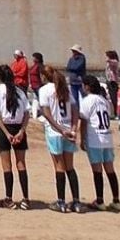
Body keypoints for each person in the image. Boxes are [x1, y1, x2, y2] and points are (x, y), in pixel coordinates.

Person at [39, 66, 83, 213]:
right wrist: (73, 129)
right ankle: (76, 201)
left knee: (59, 167)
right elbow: (76, 110)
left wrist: (60, 129)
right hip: (68, 131)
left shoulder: (44, 90)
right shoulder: (65, 88)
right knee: (70, 167)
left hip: (55, 132)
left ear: (44, 76)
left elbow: (47, 114)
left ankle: (61, 202)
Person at [79, 75, 120, 211]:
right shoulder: (104, 100)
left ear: (87, 86)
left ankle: (100, 200)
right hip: (107, 137)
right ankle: (116, 200)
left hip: (94, 137)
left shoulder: (87, 101)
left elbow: (84, 121)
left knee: (97, 170)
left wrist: (82, 138)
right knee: (110, 170)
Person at [0, 65, 31, 210]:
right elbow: (27, 113)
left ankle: (9, 198)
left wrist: (6, 133)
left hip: (5, 128)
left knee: (6, 165)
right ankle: (26, 198)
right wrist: (22, 130)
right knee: (21, 163)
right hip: (18, 127)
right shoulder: (20, 91)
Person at [66, 45, 87, 111]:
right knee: (75, 98)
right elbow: (68, 67)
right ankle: (77, 111)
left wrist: (71, 68)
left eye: (74, 51)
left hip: (80, 81)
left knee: (84, 96)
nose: (73, 52)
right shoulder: (71, 58)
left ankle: (86, 109)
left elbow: (77, 67)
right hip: (72, 81)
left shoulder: (82, 58)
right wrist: (71, 68)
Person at [105, 50, 120, 116]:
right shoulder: (109, 63)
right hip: (109, 80)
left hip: (113, 81)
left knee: (114, 97)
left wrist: (108, 59)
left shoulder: (114, 62)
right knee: (111, 97)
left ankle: (116, 112)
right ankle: (114, 112)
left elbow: (111, 62)